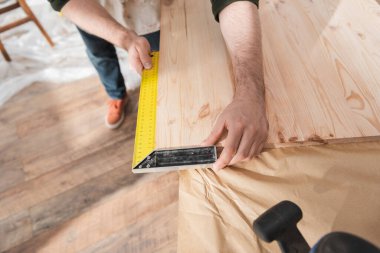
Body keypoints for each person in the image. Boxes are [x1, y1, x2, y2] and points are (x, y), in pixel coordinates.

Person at [48, 0, 268, 171]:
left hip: (145, 6)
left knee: (154, 55)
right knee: (100, 55)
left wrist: (250, 94)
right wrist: (124, 38)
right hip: (91, 7)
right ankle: (116, 94)